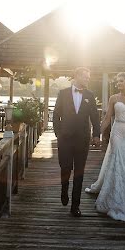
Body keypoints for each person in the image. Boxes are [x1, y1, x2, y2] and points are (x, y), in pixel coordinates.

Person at [85, 72, 125, 222]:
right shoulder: (113, 98)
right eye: (117, 82)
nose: (118, 84)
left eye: (121, 81)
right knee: (120, 163)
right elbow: (107, 119)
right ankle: (116, 197)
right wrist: (97, 134)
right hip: (118, 133)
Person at [51, 66, 101, 217]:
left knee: (79, 173)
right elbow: (55, 116)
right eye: (85, 76)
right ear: (77, 76)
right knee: (65, 167)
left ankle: (75, 206)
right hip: (65, 139)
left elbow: (95, 117)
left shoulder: (90, 95)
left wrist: (96, 135)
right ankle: (64, 188)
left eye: (88, 76)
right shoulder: (63, 93)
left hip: (83, 139)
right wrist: (59, 134)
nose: (88, 79)